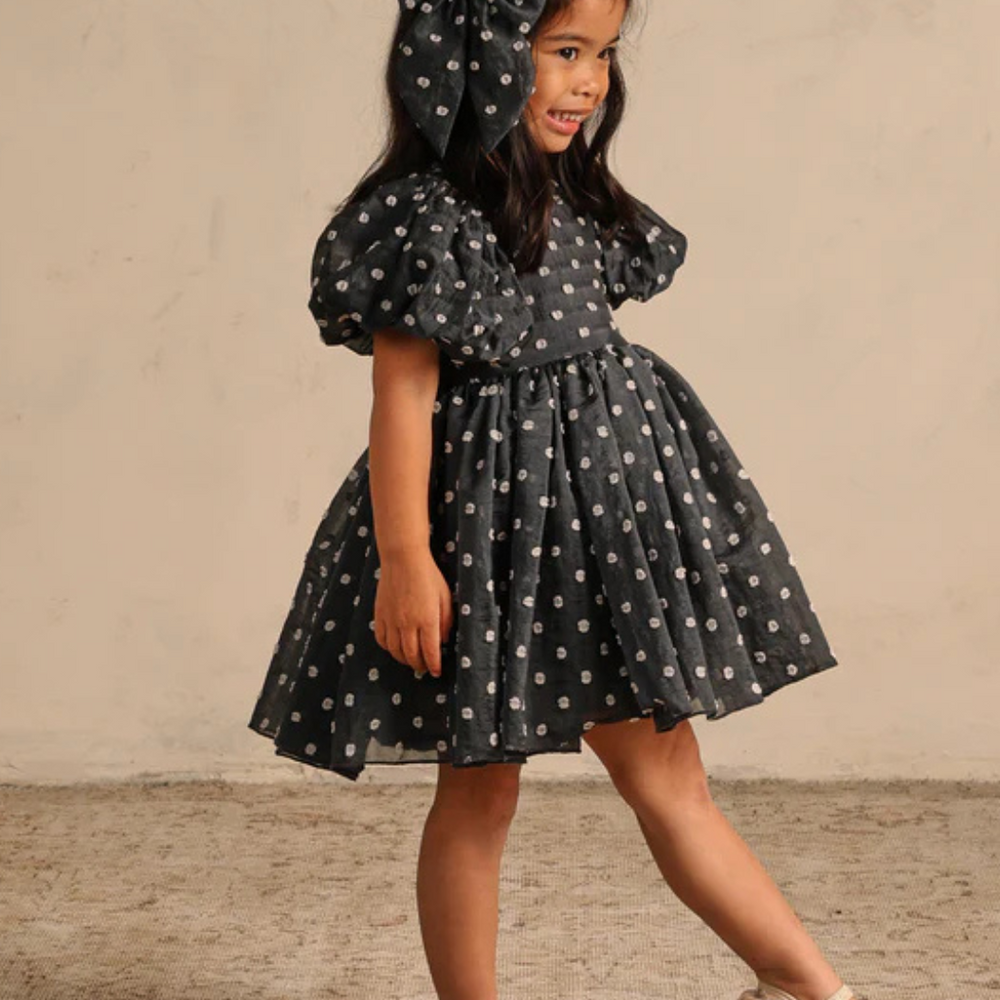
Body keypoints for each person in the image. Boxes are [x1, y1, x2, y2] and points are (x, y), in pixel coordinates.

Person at [248, 2, 866, 999]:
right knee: (479, 792)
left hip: (604, 535)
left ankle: (808, 985)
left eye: (604, 56)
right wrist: (408, 560)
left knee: (671, 780)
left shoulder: (574, 200)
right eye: (565, 52)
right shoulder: (429, 220)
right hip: (486, 541)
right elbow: (402, 393)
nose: (590, 81)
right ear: (476, 55)